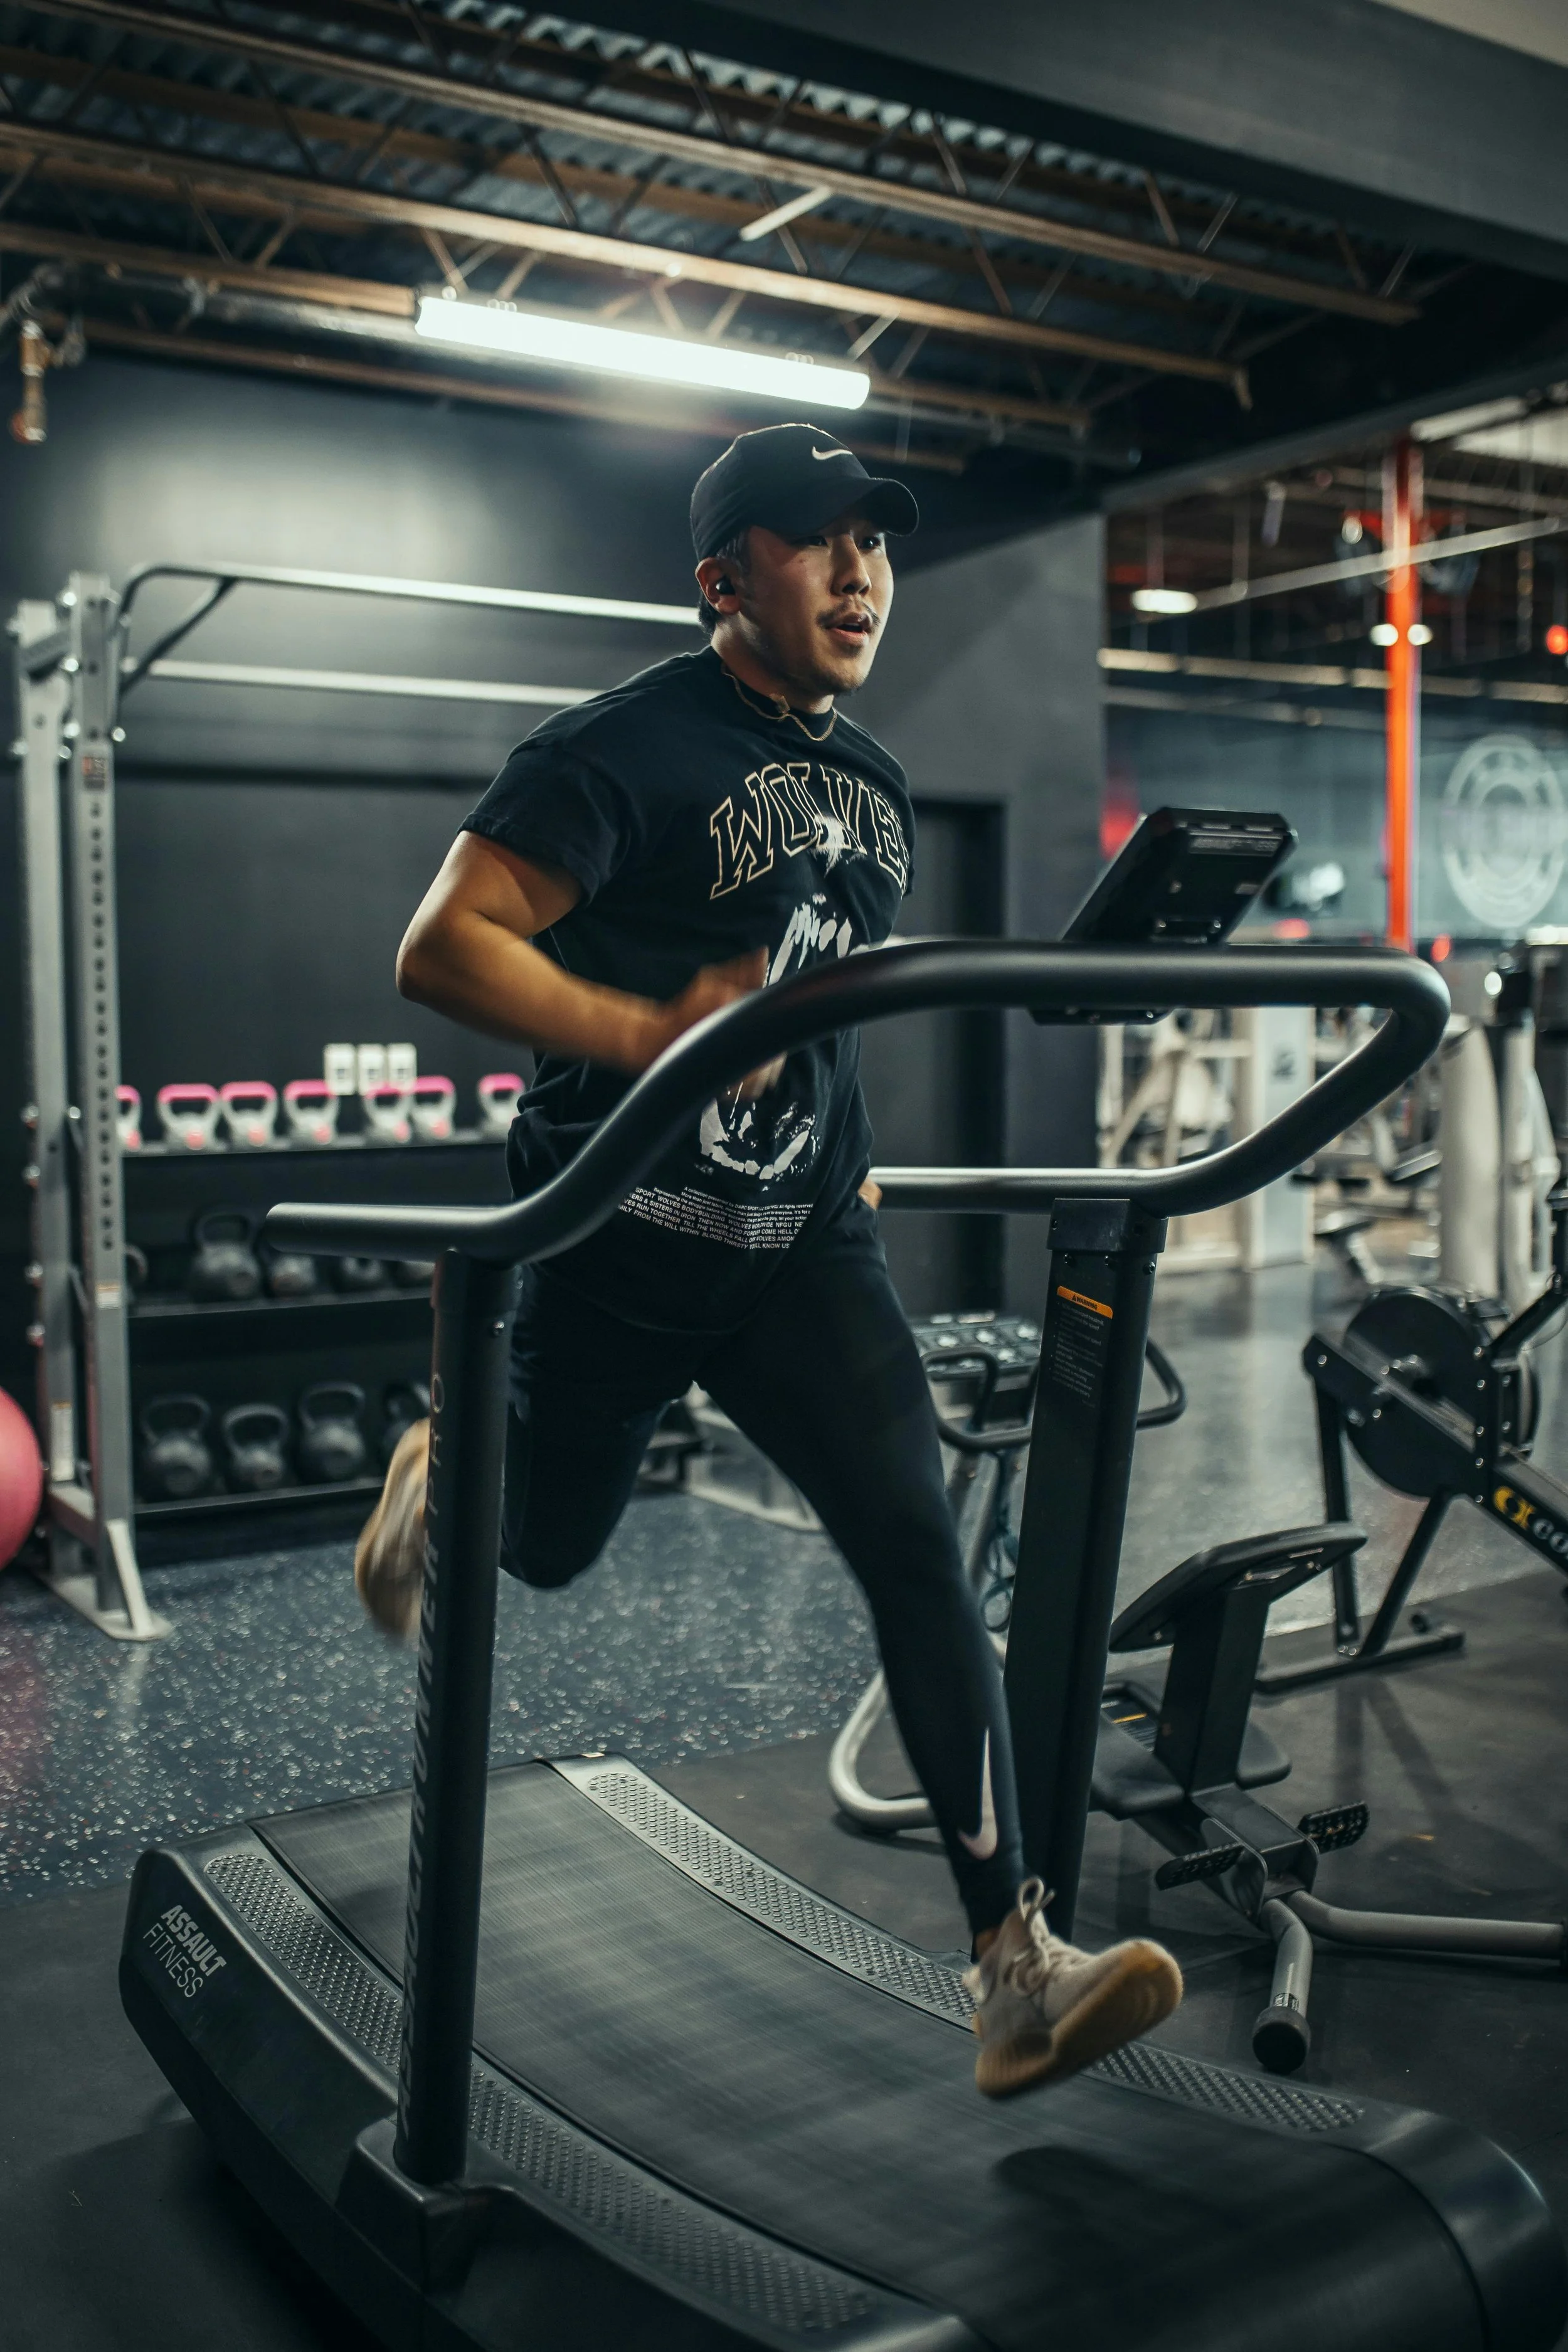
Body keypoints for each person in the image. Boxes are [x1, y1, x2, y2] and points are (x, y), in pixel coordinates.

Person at [354, 420, 1182, 2094]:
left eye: (873, 541)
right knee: (549, 1549)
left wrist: (845, 1177)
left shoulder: (870, 785)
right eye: (818, 542)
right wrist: (642, 1027)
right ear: (723, 577)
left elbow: (815, 1016)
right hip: (607, 1238)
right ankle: (449, 1463)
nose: (859, 569)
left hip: (796, 1248)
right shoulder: (617, 749)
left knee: (918, 1551)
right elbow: (439, 947)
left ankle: (1013, 1971)